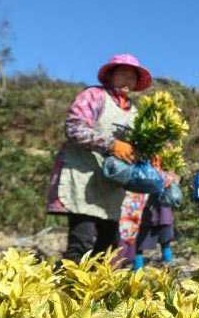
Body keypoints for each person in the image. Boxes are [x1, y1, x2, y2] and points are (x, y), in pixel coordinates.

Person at [46, 53, 152, 263]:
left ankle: (94, 294)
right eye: (122, 74)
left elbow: (139, 146)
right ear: (111, 76)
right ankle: (66, 292)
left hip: (111, 186)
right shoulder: (94, 96)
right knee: (82, 242)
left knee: (107, 249)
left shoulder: (136, 113)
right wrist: (112, 144)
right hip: (83, 177)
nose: (127, 80)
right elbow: (75, 128)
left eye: (132, 77)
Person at [133, 163, 179, 270]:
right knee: (140, 240)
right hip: (147, 209)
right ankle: (137, 269)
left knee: (165, 239)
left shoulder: (163, 168)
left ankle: (167, 265)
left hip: (158, 209)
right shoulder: (142, 166)